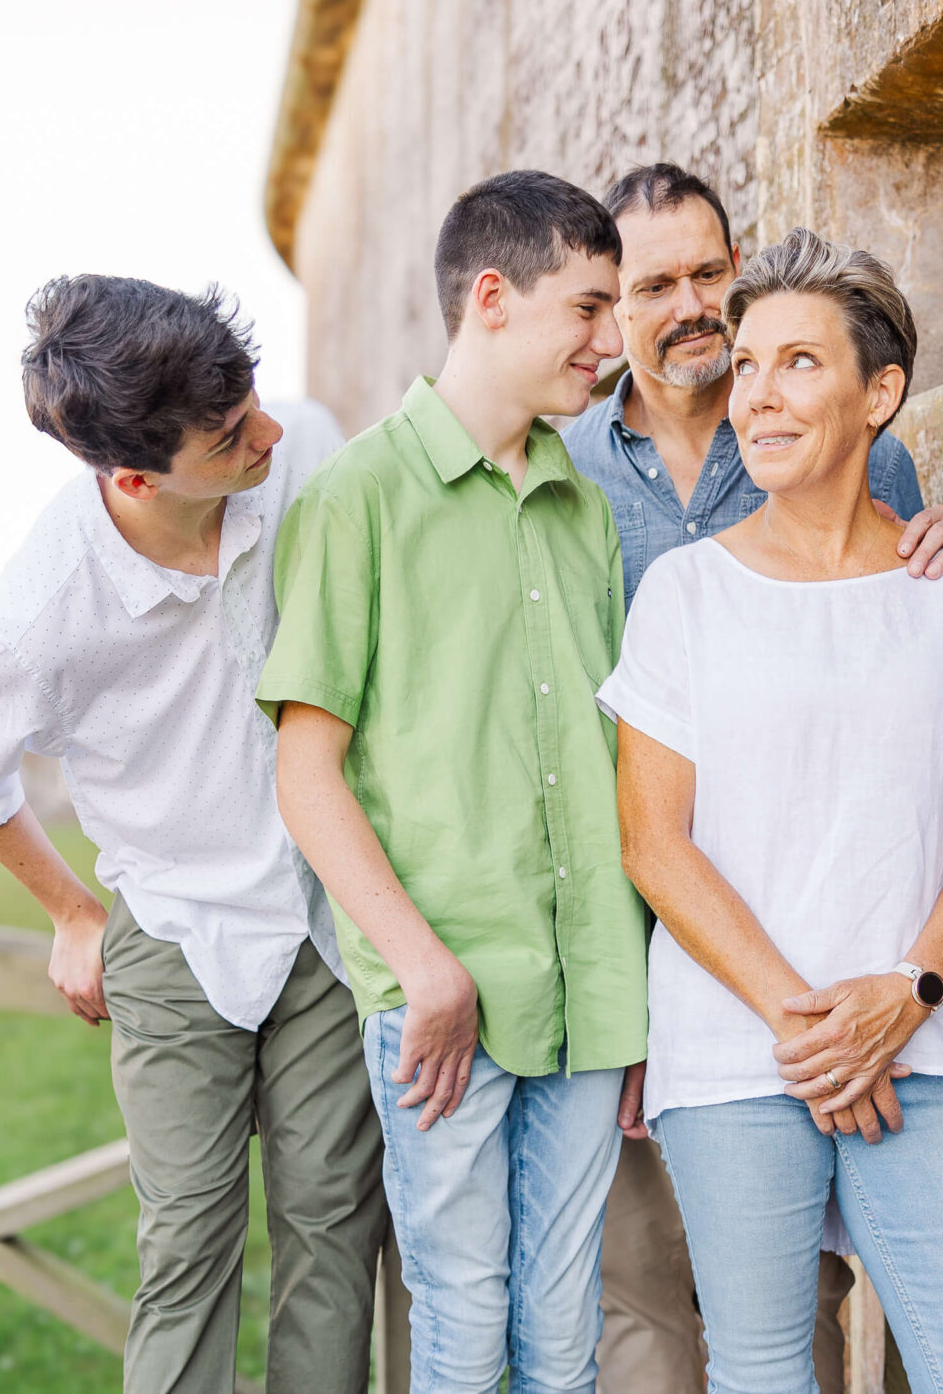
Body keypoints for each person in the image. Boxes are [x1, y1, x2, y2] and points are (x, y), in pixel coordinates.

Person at [561, 165, 943, 1394]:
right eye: (655, 284)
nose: (693, 305)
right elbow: (617, 795)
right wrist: (638, 995)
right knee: (648, 1300)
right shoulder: (564, 482)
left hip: (847, 969)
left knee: (808, 1309)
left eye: (711, 272)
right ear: (613, 307)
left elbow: (902, 657)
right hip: (661, 963)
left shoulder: (870, 474)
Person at [0, 276, 384, 1394]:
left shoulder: (297, 451)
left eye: (252, 402)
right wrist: (73, 909)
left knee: (333, 1234)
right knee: (188, 1245)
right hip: (172, 933)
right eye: (228, 437)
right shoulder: (42, 607)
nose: (268, 432)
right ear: (131, 477)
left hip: (324, 914)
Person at [259, 170, 649, 1394]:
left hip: (589, 987)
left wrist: (634, 975)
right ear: (492, 296)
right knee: (464, 1331)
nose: (609, 340)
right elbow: (305, 769)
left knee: (564, 1329)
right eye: (589, 307)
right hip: (442, 1000)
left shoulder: (582, 508)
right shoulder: (356, 498)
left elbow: (614, 757)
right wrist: (424, 968)